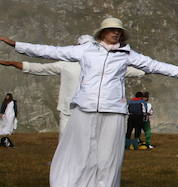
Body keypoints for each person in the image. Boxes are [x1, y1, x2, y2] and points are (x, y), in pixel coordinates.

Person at [3, 18, 178, 187]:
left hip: (114, 110)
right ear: (102, 33)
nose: (116, 32)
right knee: (83, 156)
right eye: (112, 29)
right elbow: (51, 51)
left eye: (119, 30)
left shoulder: (126, 54)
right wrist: (16, 45)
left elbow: (153, 65)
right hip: (85, 108)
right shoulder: (86, 50)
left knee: (108, 159)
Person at [1, 35, 146, 134]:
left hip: (88, 111)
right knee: (67, 145)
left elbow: (134, 70)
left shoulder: (102, 64)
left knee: (86, 145)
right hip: (69, 111)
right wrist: (11, 63)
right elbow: (37, 68)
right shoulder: (66, 64)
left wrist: (148, 68)